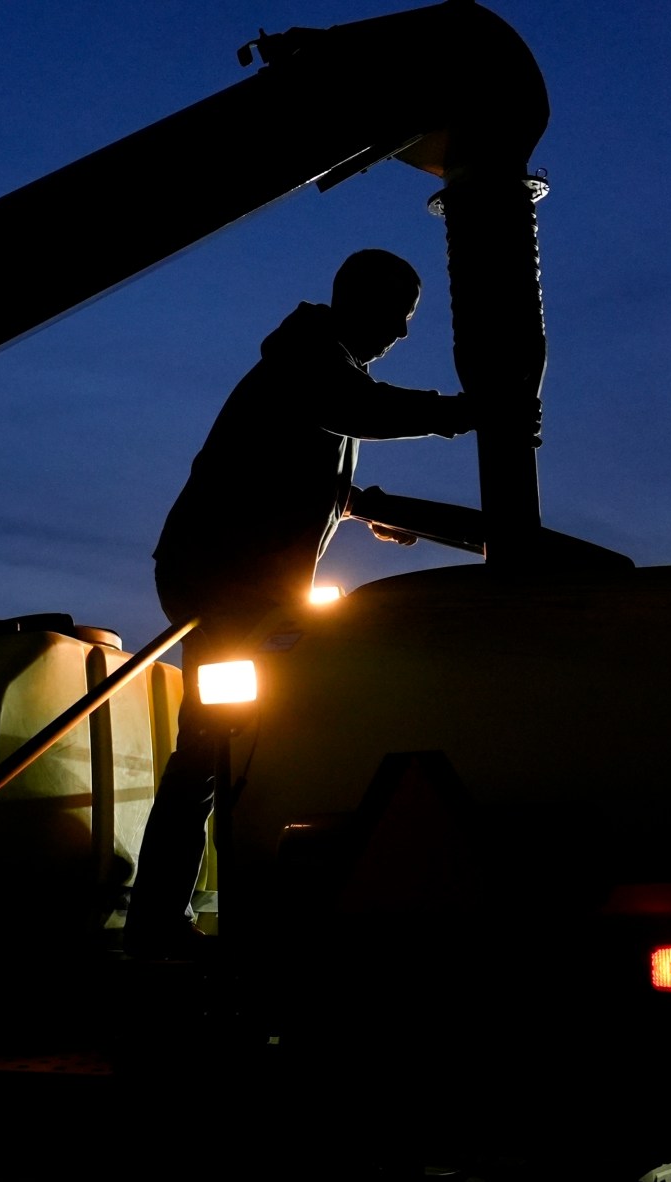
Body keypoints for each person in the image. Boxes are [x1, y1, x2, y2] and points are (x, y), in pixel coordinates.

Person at [126, 249, 477, 949]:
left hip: (244, 586)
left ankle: (185, 915)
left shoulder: (322, 369)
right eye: (398, 317)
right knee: (212, 752)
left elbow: (291, 466)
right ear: (357, 300)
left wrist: (367, 508)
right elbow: (350, 411)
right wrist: (462, 413)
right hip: (220, 584)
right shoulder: (308, 364)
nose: (404, 335)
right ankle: (169, 922)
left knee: (228, 749)